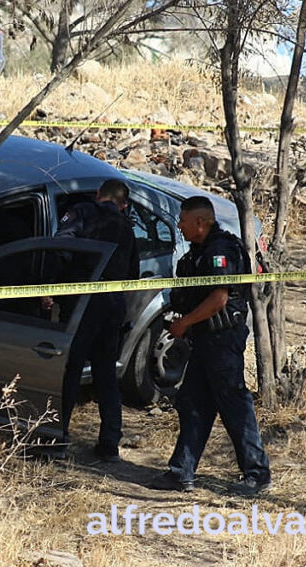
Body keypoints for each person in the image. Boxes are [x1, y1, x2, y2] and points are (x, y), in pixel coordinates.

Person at [148, 196, 271, 495]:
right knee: (192, 403)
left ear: (200, 223)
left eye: (183, 220)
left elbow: (219, 299)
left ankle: (257, 474)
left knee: (233, 404)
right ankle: (181, 472)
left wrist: (185, 322)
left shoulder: (220, 250)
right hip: (204, 339)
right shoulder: (199, 251)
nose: (179, 225)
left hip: (222, 339)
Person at [47, 179, 139, 462]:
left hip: (82, 303)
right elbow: (132, 276)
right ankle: (110, 444)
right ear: (122, 205)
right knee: (105, 374)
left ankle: (57, 439)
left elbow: (60, 246)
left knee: (70, 370)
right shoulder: (127, 229)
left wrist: (50, 286)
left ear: (99, 195)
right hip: (112, 306)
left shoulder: (83, 212)